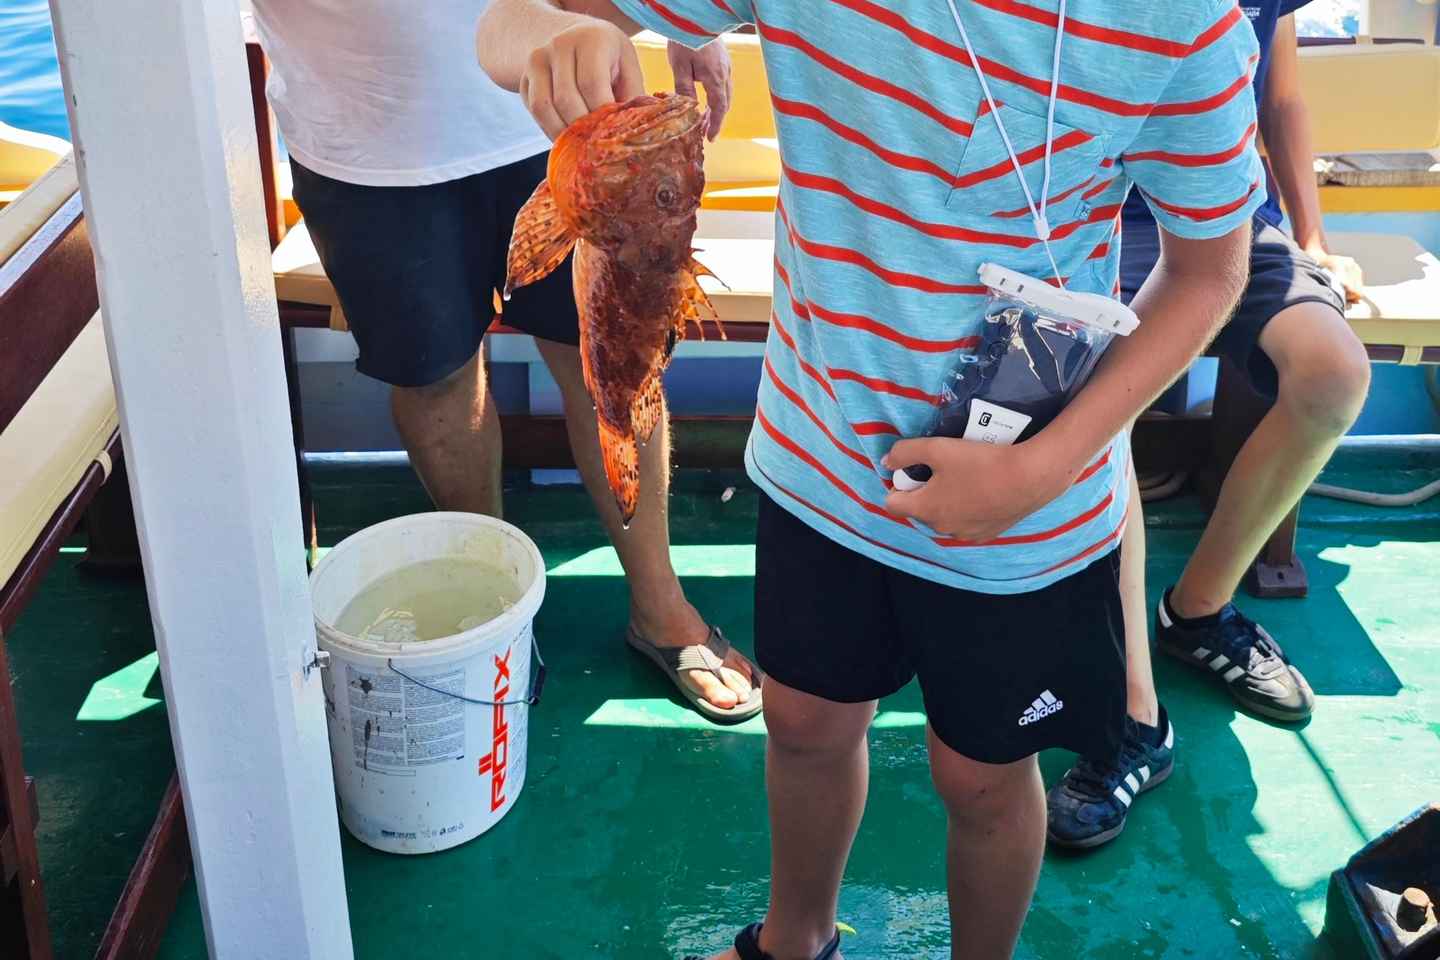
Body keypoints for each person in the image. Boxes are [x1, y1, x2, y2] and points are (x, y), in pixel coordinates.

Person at [481, 0, 1265, 956]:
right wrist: (551, 47)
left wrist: (1042, 470)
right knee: (804, 723)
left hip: (1026, 510)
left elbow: (1212, 267)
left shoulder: (1180, 23)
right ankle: (795, 938)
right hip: (816, 459)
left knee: (982, 776)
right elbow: (509, 19)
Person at [247, 1, 763, 721]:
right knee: (436, 379)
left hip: (563, 120)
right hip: (368, 148)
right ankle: (491, 603)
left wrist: (680, 19)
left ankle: (659, 603)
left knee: (615, 365)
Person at [1046, 3, 1372, 850]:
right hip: (1092, 225)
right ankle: (1135, 723)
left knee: (1333, 374)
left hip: (1229, 225)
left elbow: (1281, 93)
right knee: (1098, 417)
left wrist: (1311, 238)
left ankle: (1197, 612)